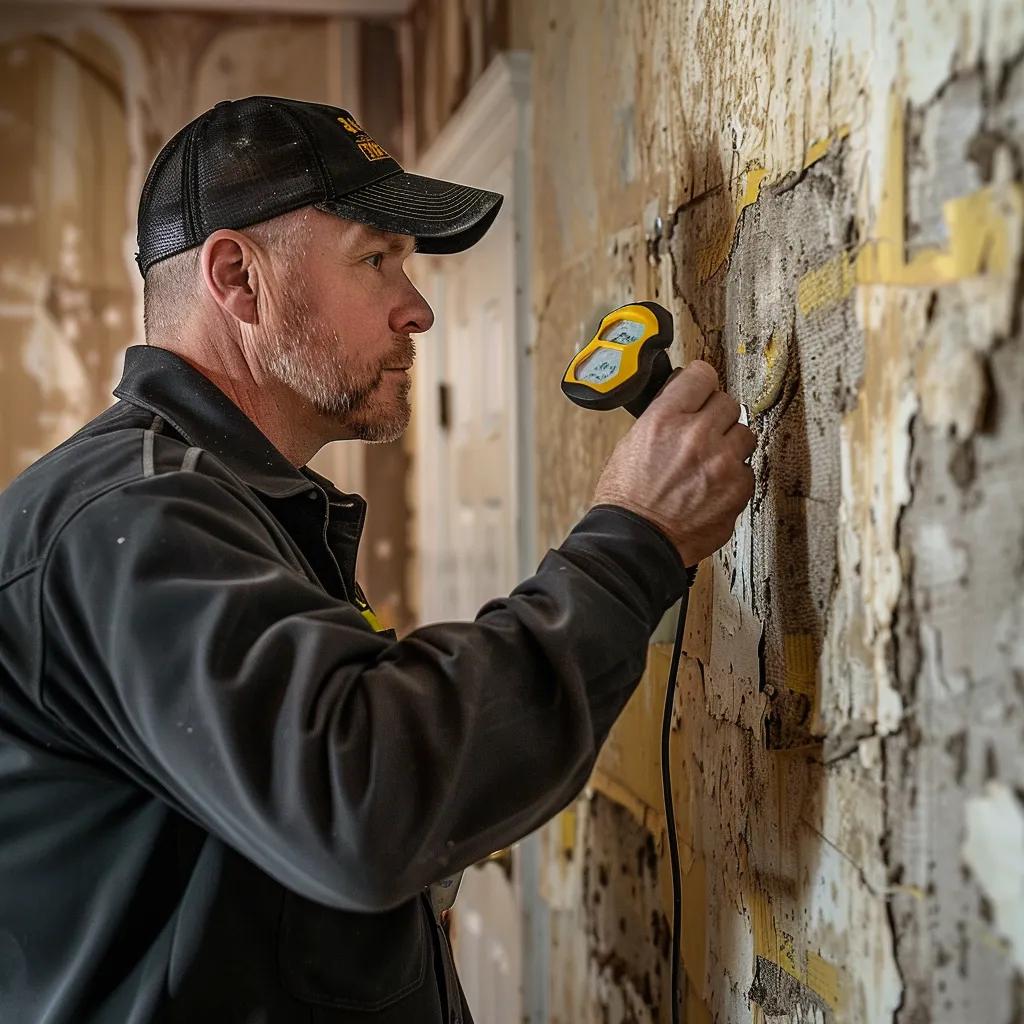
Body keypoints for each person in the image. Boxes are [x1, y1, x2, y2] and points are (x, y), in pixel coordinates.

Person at [0, 96, 755, 1023]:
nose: (419, 308)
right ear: (238, 279)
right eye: (376, 259)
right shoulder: (131, 519)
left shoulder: (240, 503)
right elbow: (358, 797)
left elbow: (280, 816)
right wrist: (631, 544)